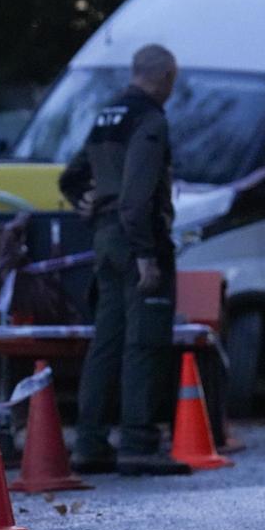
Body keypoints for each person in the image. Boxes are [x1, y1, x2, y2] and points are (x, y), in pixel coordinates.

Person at [58, 44, 190, 476]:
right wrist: (147, 254)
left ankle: (90, 444)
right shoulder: (149, 119)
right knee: (144, 344)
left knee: (106, 342)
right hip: (137, 241)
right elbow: (137, 197)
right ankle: (139, 444)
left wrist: (87, 202)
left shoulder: (106, 115)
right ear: (166, 76)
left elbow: (71, 176)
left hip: (105, 240)